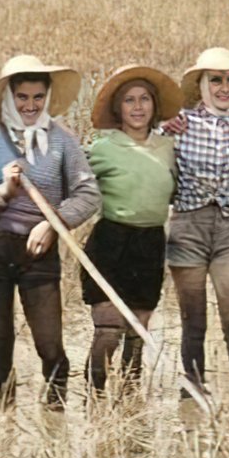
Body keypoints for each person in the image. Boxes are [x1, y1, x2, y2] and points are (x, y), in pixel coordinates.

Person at [0, 55, 101, 408]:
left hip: (39, 250)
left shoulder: (62, 140)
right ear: (8, 97)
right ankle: (1, 413)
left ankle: (56, 412)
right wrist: (3, 192)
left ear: (47, 97)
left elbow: (88, 194)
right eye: (22, 97)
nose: (30, 105)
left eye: (38, 97)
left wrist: (53, 223)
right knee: (0, 337)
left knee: (49, 342)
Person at [166, 47, 229, 396]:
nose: (224, 88)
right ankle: (193, 387)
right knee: (193, 316)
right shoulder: (179, 123)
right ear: (201, 84)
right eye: (216, 80)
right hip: (187, 226)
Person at [83, 65, 182, 393]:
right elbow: (75, 184)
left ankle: (129, 402)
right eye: (129, 100)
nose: (137, 107)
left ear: (154, 105)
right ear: (118, 109)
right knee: (108, 329)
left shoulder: (168, 147)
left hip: (150, 243)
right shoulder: (102, 148)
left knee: (137, 332)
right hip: (111, 243)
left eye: (144, 99)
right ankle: (95, 396)